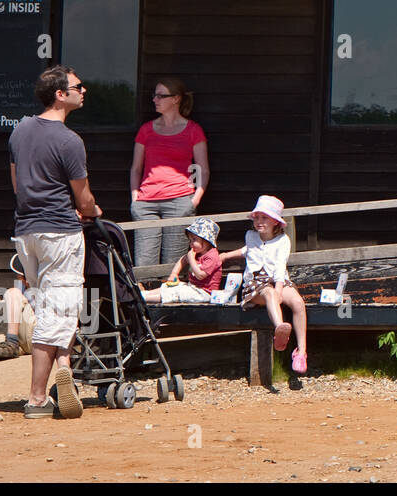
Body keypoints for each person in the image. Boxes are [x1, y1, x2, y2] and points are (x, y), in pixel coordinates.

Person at [8, 65, 101, 419]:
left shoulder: (19, 131)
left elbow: (20, 188)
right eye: (78, 86)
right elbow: (84, 199)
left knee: (49, 305)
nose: (84, 90)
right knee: (59, 311)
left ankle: (65, 370)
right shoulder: (68, 141)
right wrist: (91, 209)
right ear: (60, 94)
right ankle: (36, 399)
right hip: (60, 232)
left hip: (26, 232)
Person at [218, 196, 308, 374]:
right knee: (270, 294)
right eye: (257, 217)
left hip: (279, 280)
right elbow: (248, 250)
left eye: (264, 217)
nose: (259, 221)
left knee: (298, 303)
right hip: (256, 285)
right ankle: (279, 328)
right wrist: (226, 256)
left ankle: (301, 352)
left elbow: (280, 267)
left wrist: (280, 289)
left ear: (275, 221)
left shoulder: (283, 241)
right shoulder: (250, 236)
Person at [129, 77, 210, 266]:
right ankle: (145, 295)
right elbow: (136, 168)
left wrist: (195, 199)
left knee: (173, 263)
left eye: (161, 96)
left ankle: (169, 296)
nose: (155, 100)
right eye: (154, 95)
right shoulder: (146, 130)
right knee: (144, 262)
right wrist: (135, 198)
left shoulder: (193, 130)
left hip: (179, 200)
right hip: (146, 203)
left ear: (176, 99)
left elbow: (203, 169)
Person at [142, 217, 223, 305]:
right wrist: (174, 273)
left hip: (204, 293)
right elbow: (183, 260)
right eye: (190, 240)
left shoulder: (212, 256)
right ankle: (145, 294)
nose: (191, 243)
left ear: (206, 240)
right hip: (192, 287)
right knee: (170, 286)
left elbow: (200, 275)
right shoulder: (196, 252)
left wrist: (191, 259)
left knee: (176, 294)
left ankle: (145, 299)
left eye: (194, 240)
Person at [0, 285, 35, 360]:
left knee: (13, 293)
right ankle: (13, 345)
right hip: (21, 341)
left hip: (42, 338)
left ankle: (12, 342)